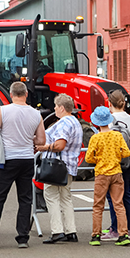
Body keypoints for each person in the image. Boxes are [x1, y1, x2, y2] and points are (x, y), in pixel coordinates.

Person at [0, 81, 45, 250]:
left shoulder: (3, 111)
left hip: (7, 160)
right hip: (27, 160)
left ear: (11, 95)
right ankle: (22, 238)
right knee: (25, 199)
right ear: (26, 94)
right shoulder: (36, 114)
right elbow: (41, 140)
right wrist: (28, 139)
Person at [36, 94, 83, 244]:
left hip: (56, 165)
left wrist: (45, 147)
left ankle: (57, 231)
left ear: (62, 108)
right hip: (69, 166)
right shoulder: (75, 122)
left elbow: (60, 145)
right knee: (66, 198)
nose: (55, 109)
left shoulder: (63, 123)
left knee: (51, 196)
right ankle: (71, 231)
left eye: (56, 106)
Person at [85, 106, 130, 246]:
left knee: (98, 206)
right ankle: (123, 235)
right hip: (116, 172)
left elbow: (88, 158)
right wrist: (116, 157)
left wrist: (98, 159)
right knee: (119, 204)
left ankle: (95, 236)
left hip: (101, 174)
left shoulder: (95, 138)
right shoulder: (117, 135)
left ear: (96, 122)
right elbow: (126, 153)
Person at [105, 89, 130, 240]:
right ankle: (129, 227)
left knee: (114, 197)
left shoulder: (110, 119)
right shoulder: (129, 118)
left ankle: (115, 228)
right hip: (128, 159)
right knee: (127, 195)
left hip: (115, 161)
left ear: (109, 103)